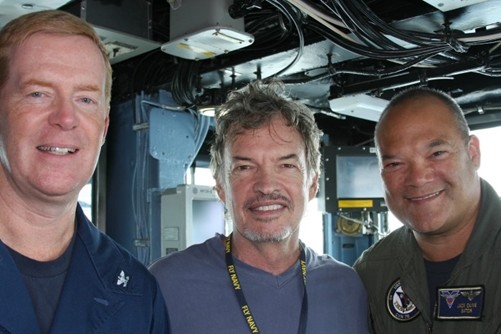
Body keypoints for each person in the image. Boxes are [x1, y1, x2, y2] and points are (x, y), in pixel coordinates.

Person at [150, 80, 370, 334]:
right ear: (221, 186)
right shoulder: (167, 284)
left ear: (313, 183)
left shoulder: (347, 287)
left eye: (286, 165)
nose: (266, 186)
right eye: (244, 167)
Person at [0, 10, 169, 334]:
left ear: (103, 128)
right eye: (39, 94)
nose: (65, 117)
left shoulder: (140, 295)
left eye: (86, 99)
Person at [353, 86, 501, 333]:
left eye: (437, 153)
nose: (418, 178)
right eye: (395, 164)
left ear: (473, 153)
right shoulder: (371, 271)